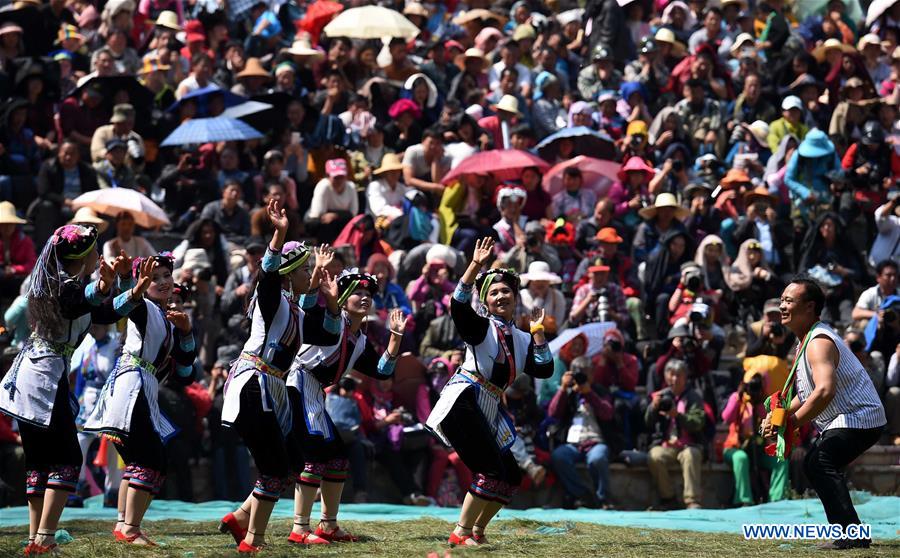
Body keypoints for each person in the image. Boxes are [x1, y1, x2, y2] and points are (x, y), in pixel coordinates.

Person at [216, 201, 341, 552]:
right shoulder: (272, 299)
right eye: (304, 272)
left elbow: (329, 334)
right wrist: (280, 233)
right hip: (254, 383)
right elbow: (268, 276)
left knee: (292, 461)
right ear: (290, 274)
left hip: (271, 388)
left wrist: (331, 303)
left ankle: (242, 517)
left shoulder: (297, 311)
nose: (309, 277)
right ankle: (252, 539)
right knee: (274, 465)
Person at [0, 225, 130, 554]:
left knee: (40, 462)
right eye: (94, 252)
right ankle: (44, 537)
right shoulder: (63, 287)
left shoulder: (60, 283)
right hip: (42, 376)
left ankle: (35, 539)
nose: (98, 257)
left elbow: (106, 310)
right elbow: (76, 305)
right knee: (68, 459)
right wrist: (102, 285)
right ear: (83, 257)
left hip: (36, 374)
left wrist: (133, 285)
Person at [426, 237, 553, 546]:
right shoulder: (481, 327)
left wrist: (538, 332)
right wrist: (475, 265)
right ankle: (460, 533)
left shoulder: (522, 337)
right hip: (464, 399)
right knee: (489, 468)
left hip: (489, 405)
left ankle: (478, 530)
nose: (501, 296)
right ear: (484, 301)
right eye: (494, 292)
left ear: (515, 297)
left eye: (506, 291)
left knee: (511, 475)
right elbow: (457, 305)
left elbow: (544, 368)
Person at [762, 278, 886, 549]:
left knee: (819, 461)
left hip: (860, 415)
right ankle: (850, 533)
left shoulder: (818, 342)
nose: (782, 306)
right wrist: (777, 416)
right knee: (816, 462)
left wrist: (792, 422)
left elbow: (825, 391)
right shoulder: (805, 342)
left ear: (809, 307)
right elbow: (806, 393)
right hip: (847, 417)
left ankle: (850, 536)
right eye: (782, 300)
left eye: (789, 301)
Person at [287, 271, 408, 544]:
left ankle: (328, 525)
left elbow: (381, 372)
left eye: (369, 295)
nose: (365, 298)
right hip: (297, 385)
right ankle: (299, 529)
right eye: (358, 293)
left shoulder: (360, 340)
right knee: (314, 457)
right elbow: (305, 310)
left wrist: (395, 339)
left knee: (339, 457)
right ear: (342, 298)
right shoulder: (328, 321)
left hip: (315, 394)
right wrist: (319, 278)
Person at [83, 253, 197, 545]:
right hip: (131, 383)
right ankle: (130, 528)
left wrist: (186, 332)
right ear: (142, 284)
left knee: (144, 460)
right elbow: (118, 307)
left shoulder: (168, 318)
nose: (162, 282)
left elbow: (185, 370)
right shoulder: (143, 307)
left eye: (166, 276)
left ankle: (126, 525)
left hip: (144, 387)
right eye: (154, 278)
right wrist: (128, 284)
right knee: (148, 458)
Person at [549, 356, 614, 509]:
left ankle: (603, 498)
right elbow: (553, 414)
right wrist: (563, 389)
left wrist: (589, 393)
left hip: (596, 441)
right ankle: (582, 494)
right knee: (559, 456)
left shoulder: (600, 391)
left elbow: (607, 413)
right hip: (572, 444)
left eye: (586, 374)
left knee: (597, 458)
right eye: (578, 374)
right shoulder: (570, 393)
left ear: (592, 374)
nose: (582, 378)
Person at [645, 359, 706, 510]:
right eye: (671, 375)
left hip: (689, 444)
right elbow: (648, 422)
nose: (674, 379)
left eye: (679, 375)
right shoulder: (662, 396)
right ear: (666, 377)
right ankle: (668, 498)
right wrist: (653, 407)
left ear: (685, 377)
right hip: (667, 444)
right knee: (654, 456)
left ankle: (692, 500)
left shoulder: (694, 397)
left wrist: (677, 415)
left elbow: (698, 422)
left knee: (691, 455)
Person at [722, 371, 789, 506]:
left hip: (758, 450)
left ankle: (776, 499)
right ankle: (744, 500)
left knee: (780, 459)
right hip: (735, 448)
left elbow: (772, 425)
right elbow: (726, 418)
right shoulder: (737, 398)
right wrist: (739, 397)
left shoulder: (765, 402)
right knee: (741, 458)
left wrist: (760, 402)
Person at [0, 203, 36, 294]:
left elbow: (31, 264)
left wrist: (14, 269)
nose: (7, 228)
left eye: (10, 224)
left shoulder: (25, 241)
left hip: (18, 280)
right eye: (3, 224)